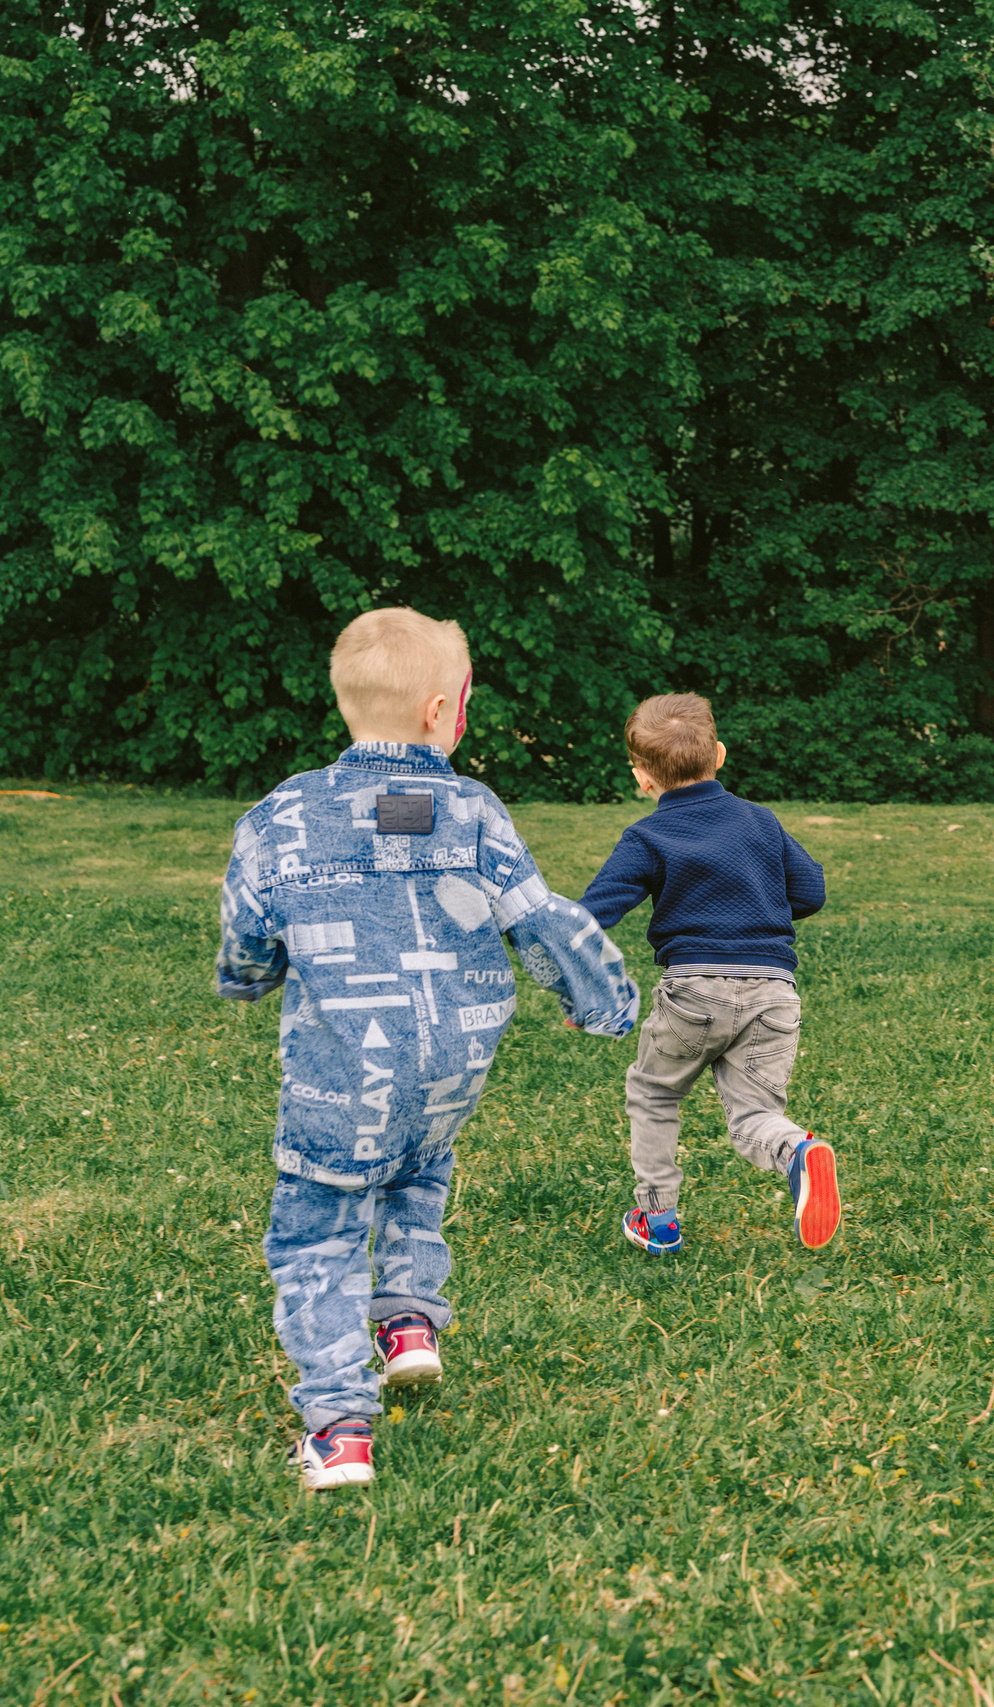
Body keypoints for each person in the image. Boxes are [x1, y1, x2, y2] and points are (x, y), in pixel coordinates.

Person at [217, 608, 638, 1490]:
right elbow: (542, 916)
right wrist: (602, 999)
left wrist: (250, 977)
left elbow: (249, 942)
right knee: (417, 1174)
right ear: (443, 711)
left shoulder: (278, 816)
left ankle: (338, 1427)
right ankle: (408, 1320)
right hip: (450, 1072)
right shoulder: (473, 810)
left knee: (318, 1236)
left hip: (341, 1083)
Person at [580, 694, 836, 1258]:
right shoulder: (760, 821)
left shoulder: (646, 838)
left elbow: (592, 916)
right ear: (718, 754)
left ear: (642, 778)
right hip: (774, 992)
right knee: (755, 1116)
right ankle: (796, 1150)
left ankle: (658, 1220)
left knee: (653, 1092)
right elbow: (810, 892)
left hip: (694, 993)